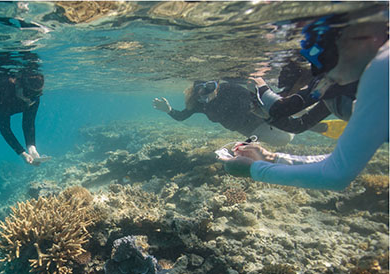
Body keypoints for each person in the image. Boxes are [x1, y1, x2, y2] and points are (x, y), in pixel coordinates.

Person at [221, 12, 388, 191]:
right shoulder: (362, 82)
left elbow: (336, 175)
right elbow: (336, 163)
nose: (319, 72)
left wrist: (254, 170)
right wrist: (271, 158)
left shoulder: (382, 68)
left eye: (320, 51)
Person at [153, 79, 294, 147]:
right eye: (201, 91)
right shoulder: (200, 104)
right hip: (248, 129)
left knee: (292, 126)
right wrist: (168, 110)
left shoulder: (230, 88)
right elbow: (181, 116)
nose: (207, 94)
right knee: (284, 140)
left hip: (260, 118)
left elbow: (255, 97)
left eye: (210, 87)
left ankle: (299, 117)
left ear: (216, 86)